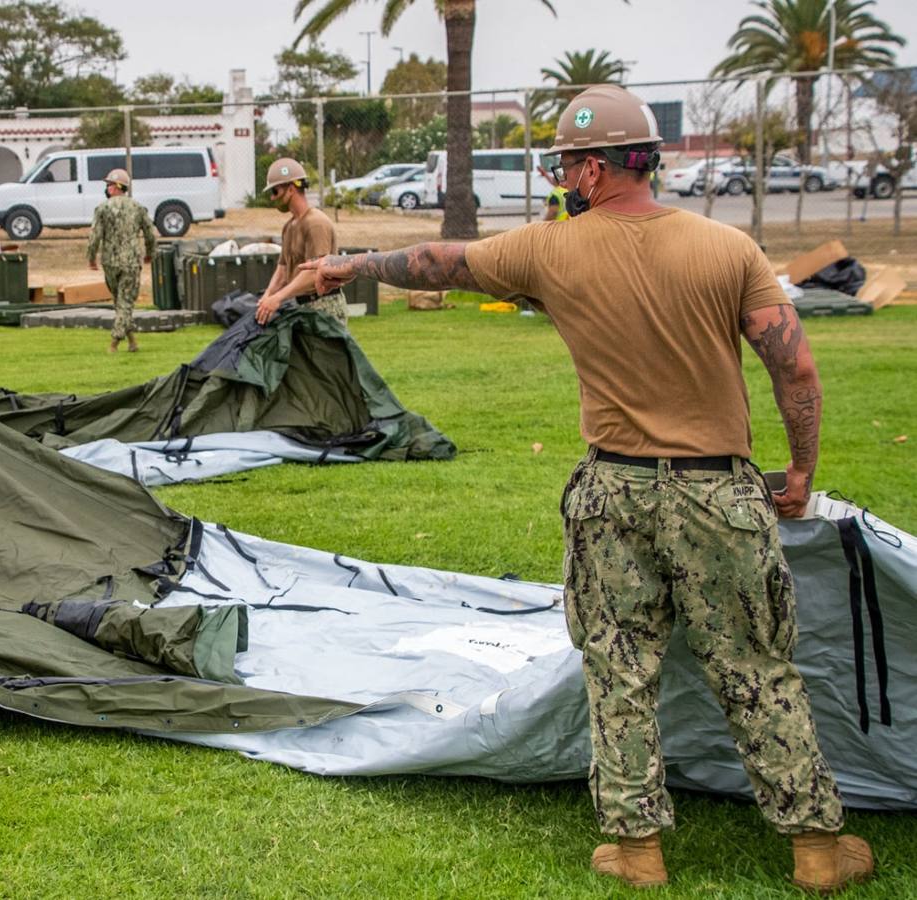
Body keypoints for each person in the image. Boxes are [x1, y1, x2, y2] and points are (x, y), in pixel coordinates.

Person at [301, 84, 870, 894]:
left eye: (565, 165)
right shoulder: (728, 249)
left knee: (617, 667)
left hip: (613, 492)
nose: (561, 178)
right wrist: (803, 468)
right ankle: (816, 847)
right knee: (757, 668)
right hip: (719, 495)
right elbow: (795, 366)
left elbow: (438, 262)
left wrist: (345, 267)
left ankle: (636, 849)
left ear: (596, 170)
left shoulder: (548, 249)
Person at [254, 158, 346, 327]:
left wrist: (278, 298)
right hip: (299, 305)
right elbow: (282, 270)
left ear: (291, 189)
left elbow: (315, 272)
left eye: (275, 191)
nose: (272, 198)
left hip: (323, 307)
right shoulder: (289, 226)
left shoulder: (316, 223)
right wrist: (267, 297)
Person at [87, 168, 155, 353]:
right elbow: (150, 234)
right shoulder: (138, 208)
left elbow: (95, 236)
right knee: (124, 303)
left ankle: (122, 342)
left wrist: (91, 257)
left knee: (120, 302)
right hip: (131, 262)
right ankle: (123, 341)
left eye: (109, 184)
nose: (107, 188)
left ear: (117, 187)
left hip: (110, 262)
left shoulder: (102, 208)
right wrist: (150, 253)